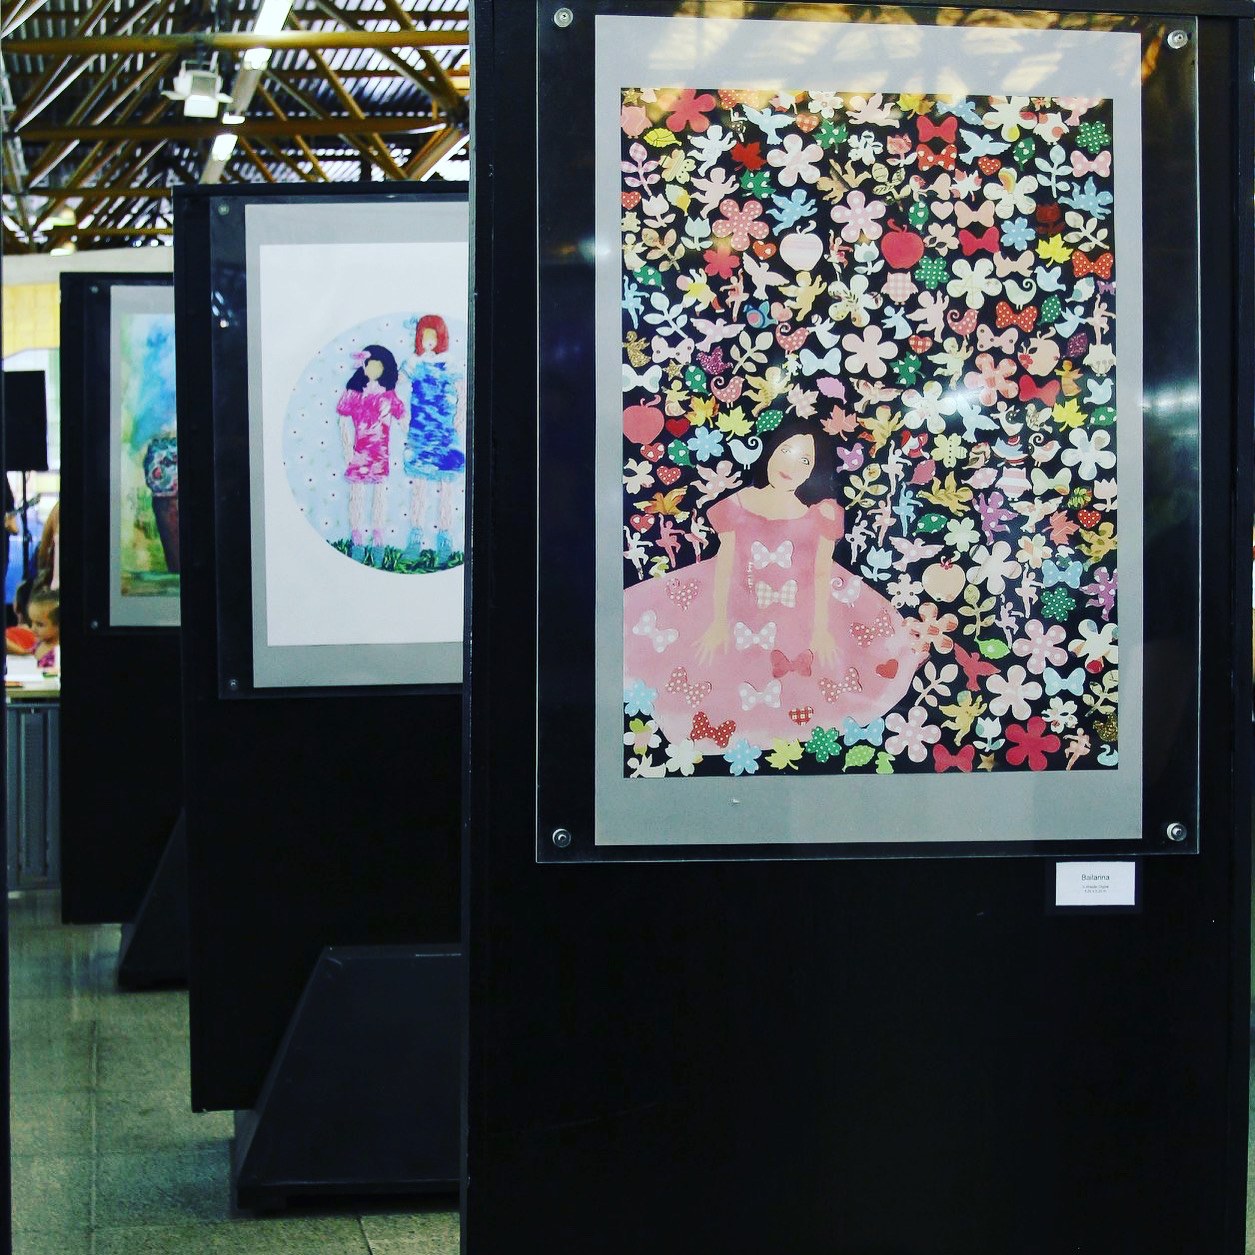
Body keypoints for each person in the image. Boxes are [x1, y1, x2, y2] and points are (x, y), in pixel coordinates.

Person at [623, 417, 921, 752]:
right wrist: (718, 621)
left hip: (801, 613)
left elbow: (822, 574)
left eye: (805, 460)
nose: (791, 466)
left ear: (814, 471)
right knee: (720, 672)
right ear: (771, 452)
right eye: (786, 451)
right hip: (738, 607)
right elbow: (724, 566)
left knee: (803, 685)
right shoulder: (738, 503)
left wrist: (821, 631)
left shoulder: (821, 514)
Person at [400, 314, 465, 564]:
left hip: (445, 434)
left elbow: (462, 390)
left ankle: (445, 539)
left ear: (441, 338)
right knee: (419, 487)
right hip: (420, 434)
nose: (428, 341)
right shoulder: (414, 363)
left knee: (446, 487)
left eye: (433, 336)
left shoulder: (449, 364)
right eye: (424, 336)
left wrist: (460, 418)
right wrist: (402, 418)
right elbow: (395, 383)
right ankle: (415, 538)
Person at [336, 345, 403, 565]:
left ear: (385, 369)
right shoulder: (354, 394)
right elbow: (342, 421)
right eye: (369, 365)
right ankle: (356, 539)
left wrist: (411, 437)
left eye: (378, 366)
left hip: (380, 456)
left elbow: (403, 416)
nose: (373, 370)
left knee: (379, 498)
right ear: (362, 366)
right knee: (357, 496)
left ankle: (378, 539)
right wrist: (347, 449)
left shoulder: (389, 395)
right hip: (358, 454)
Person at [25, 584, 58, 671]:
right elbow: (27, 656)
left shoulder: (57, 653)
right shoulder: (40, 643)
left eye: (39, 624)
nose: (33, 629)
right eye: (31, 622)